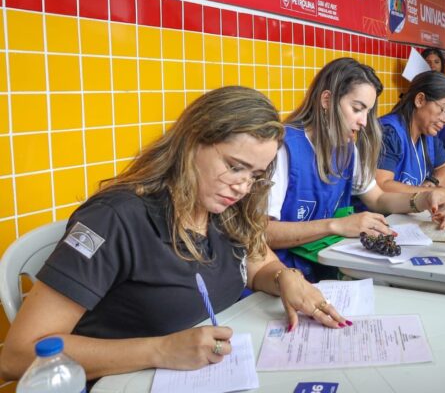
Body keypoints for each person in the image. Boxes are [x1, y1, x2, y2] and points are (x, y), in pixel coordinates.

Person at [0, 86, 348, 381]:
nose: (243, 186)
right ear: (191, 142)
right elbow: (17, 356)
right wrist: (161, 350)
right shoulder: (115, 219)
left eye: (255, 175)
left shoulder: (223, 209)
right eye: (234, 166)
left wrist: (285, 278)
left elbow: (260, 266)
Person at [267, 58, 445, 281]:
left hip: (327, 269)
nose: (364, 121)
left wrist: (423, 199)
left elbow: (378, 198)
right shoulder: (283, 149)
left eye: (368, 112)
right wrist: (336, 226)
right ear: (327, 100)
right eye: (357, 109)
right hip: (280, 276)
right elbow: (263, 232)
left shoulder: (347, 149)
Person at [377, 71, 445, 192]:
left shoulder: (428, 135)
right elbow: (381, 185)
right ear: (420, 100)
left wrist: (432, 182)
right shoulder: (388, 133)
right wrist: (427, 193)